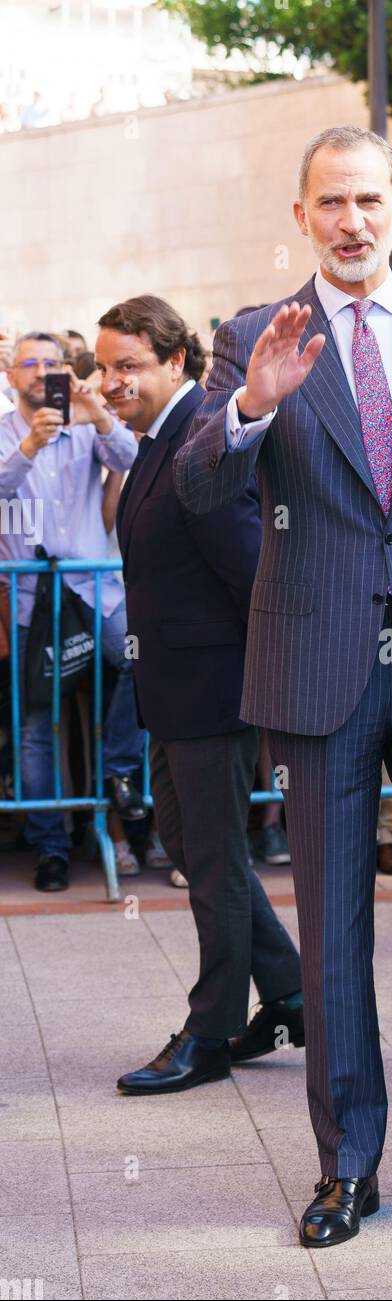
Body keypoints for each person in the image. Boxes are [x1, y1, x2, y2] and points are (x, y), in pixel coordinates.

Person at [174, 125, 392, 1246]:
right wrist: (253, 407)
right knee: (332, 942)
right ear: (300, 216)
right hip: (315, 673)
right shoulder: (252, 337)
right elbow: (194, 489)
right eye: (330, 201)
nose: (352, 221)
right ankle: (347, 1167)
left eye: (370, 200)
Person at [92, 295, 304, 1095]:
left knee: (212, 862)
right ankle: (287, 995)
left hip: (212, 690)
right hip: (170, 689)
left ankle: (210, 1031)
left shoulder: (200, 433)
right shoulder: (157, 438)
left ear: (175, 361)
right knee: (192, 849)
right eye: (104, 366)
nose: (111, 382)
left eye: (128, 366)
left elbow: (249, 568)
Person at [0, 333, 143, 891]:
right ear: (11, 377)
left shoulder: (86, 424)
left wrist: (99, 417)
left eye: (51, 363)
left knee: (142, 658)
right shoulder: (7, 433)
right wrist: (31, 446)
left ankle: (118, 774)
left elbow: (131, 457)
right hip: (30, 601)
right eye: (29, 364)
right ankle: (50, 847)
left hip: (94, 590)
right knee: (37, 725)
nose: (41, 372)